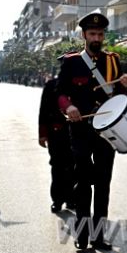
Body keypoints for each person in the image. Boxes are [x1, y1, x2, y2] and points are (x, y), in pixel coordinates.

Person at [56, 11, 127, 250]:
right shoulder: (71, 62)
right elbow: (59, 93)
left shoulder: (112, 61)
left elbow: (119, 98)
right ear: (84, 35)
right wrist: (68, 106)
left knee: (103, 184)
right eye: (92, 34)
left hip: (106, 132)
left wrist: (125, 87)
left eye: (100, 34)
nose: (96, 37)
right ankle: (81, 235)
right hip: (80, 130)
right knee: (83, 182)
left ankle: (98, 236)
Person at [38, 56, 76, 213]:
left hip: (77, 133)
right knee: (58, 167)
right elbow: (44, 110)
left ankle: (71, 199)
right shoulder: (51, 85)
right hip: (56, 132)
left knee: (75, 167)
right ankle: (57, 200)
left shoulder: (83, 86)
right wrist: (42, 134)